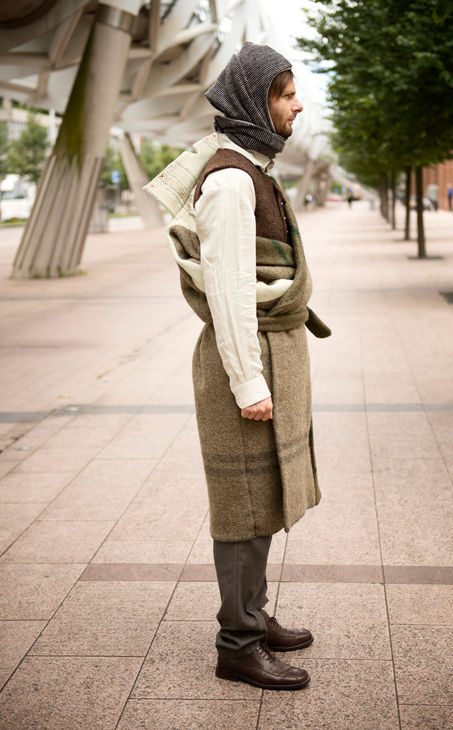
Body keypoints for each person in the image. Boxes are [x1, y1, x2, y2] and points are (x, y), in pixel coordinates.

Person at [144, 42, 331, 690]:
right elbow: (226, 292)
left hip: (267, 353)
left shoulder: (253, 168)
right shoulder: (229, 182)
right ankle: (238, 644)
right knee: (243, 505)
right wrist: (249, 383)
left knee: (264, 497)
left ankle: (252, 613)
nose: (297, 105)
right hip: (245, 363)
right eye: (286, 95)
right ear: (256, 101)